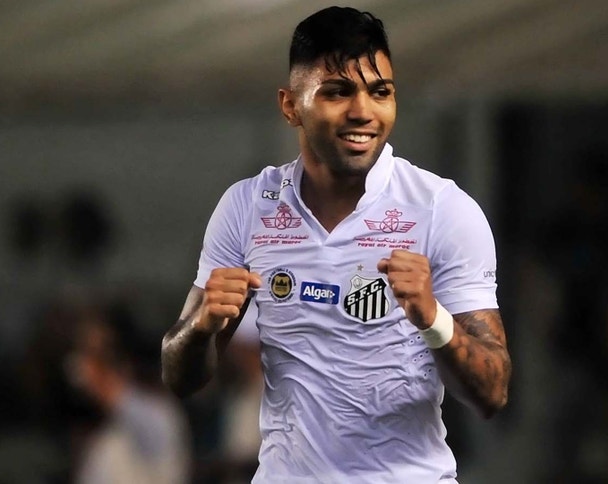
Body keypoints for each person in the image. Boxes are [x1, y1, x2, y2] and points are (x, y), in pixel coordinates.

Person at [161, 6, 511, 483]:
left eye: (380, 92)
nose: (363, 111)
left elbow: (493, 393)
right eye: (338, 92)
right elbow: (178, 377)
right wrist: (202, 327)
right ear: (290, 106)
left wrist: (433, 318)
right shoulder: (247, 206)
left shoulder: (441, 209)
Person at [70, 301, 191, 484]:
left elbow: (113, 393)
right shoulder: (109, 430)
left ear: (125, 362)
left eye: (101, 358)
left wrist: (94, 375)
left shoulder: (160, 416)